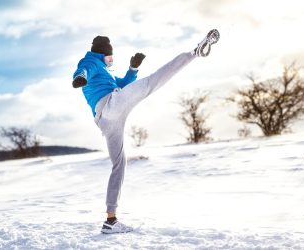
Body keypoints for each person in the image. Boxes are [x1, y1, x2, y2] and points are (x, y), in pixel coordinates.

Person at [72, 29, 220, 234]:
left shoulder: (104, 71)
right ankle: (195, 52)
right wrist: (79, 77)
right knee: (152, 83)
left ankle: (110, 220)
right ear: (102, 53)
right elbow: (83, 70)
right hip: (111, 105)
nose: (111, 60)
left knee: (119, 164)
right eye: (110, 56)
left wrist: (133, 69)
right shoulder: (92, 62)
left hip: (107, 120)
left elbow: (122, 86)